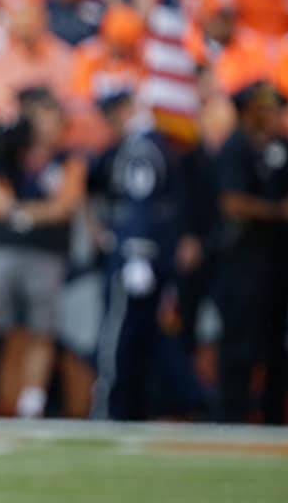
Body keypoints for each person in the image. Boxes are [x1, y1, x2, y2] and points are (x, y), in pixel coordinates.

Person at [0, 87, 86, 418]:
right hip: (4, 250)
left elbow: (64, 206)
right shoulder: (9, 154)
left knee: (41, 331)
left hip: (46, 254)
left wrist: (22, 214)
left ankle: (31, 405)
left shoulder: (67, 159)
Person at [88, 89, 185, 420]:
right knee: (139, 335)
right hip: (151, 255)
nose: (109, 122)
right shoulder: (149, 145)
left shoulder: (139, 149)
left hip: (135, 256)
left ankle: (110, 406)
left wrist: (136, 253)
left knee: (120, 335)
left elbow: (139, 203)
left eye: (113, 113)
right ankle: (132, 408)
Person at [211, 81, 288, 422]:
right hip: (241, 260)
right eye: (263, 108)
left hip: (278, 261)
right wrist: (280, 211)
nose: (272, 115)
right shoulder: (235, 148)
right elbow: (232, 204)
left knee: (276, 342)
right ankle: (230, 415)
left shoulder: (287, 149)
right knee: (239, 341)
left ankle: (275, 415)